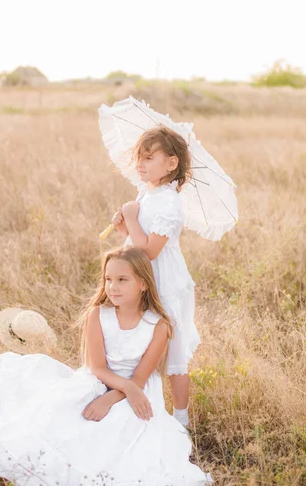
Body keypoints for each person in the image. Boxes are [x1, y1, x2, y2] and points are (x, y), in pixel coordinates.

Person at [0, 246, 211, 485]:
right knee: (61, 418)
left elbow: (140, 378)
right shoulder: (98, 315)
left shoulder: (158, 325)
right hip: (97, 381)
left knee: (126, 433)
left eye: (122, 280)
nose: (112, 287)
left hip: (138, 388)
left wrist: (116, 397)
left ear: (143, 284)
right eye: (108, 279)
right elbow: (98, 368)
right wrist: (111, 393)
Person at [111, 126, 201, 427]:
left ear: (171, 163)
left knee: (172, 350)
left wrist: (134, 220)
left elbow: (149, 250)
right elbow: (136, 242)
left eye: (149, 158)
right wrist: (125, 227)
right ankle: (136, 400)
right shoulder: (147, 194)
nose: (140, 164)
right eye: (139, 158)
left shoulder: (169, 201)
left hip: (163, 279)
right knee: (138, 341)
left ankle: (181, 418)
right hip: (140, 276)